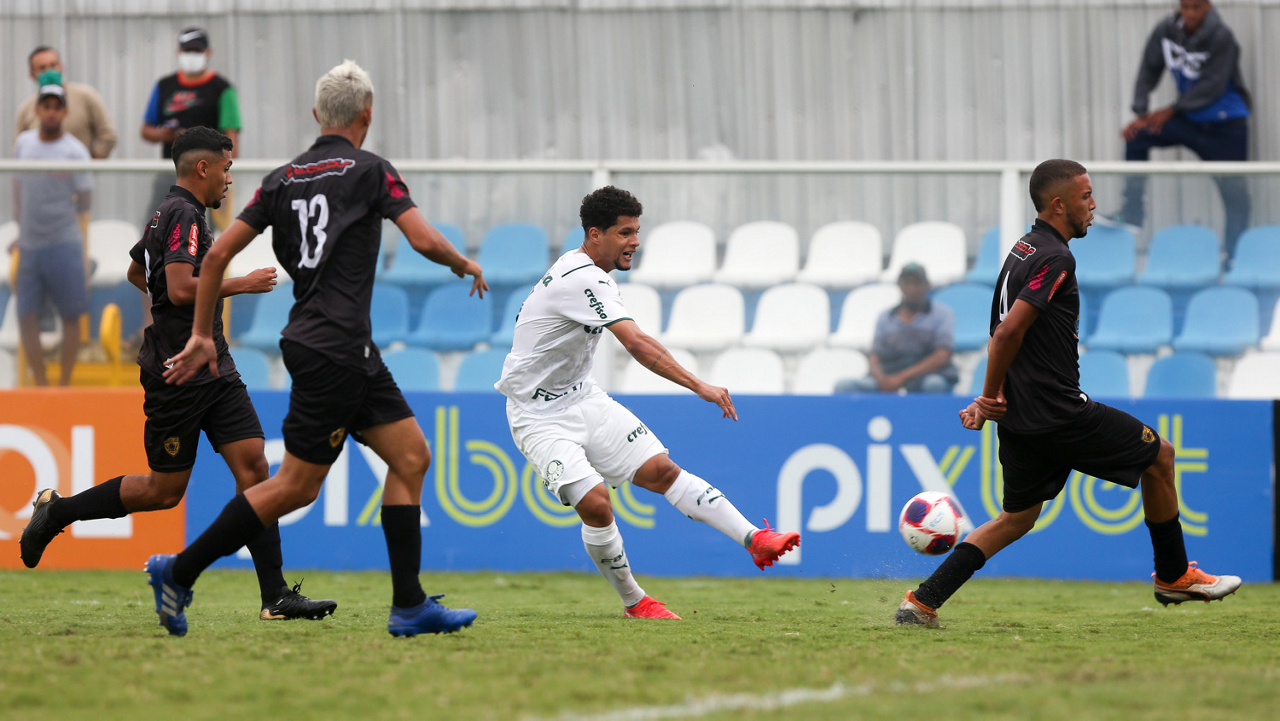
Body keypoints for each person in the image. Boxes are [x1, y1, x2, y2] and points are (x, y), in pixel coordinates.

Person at [158, 60, 487, 638]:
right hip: (335, 349)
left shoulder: (281, 179)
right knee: (295, 486)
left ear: (317, 114)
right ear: (367, 115)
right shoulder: (372, 170)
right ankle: (178, 571)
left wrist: (202, 335)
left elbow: (216, 257)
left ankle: (410, 605)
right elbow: (421, 238)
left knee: (411, 456)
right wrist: (462, 261)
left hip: (335, 345)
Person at [895, 159, 1241, 629]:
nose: (1093, 205)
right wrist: (988, 396)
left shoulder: (1022, 248)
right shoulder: (1056, 257)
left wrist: (991, 400)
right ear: (1059, 204)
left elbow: (1003, 330)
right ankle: (1174, 575)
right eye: (1086, 196)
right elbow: (1007, 333)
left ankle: (922, 602)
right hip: (1055, 409)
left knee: (1016, 519)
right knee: (1160, 455)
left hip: (1020, 414)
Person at [18, 127, 336, 624]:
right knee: (163, 492)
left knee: (254, 467)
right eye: (226, 168)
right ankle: (57, 511)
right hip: (178, 372)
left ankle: (275, 596)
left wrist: (172, 306)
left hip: (215, 366)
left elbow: (138, 273)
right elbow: (182, 287)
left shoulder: (165, 212)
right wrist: (242, 283)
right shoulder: (183, 214)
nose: (229, 179)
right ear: (203, 168)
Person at [495, 186, 801, 620]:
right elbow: (636, 344)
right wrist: (699, 385)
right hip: (537, 414)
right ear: (595, 234)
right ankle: (635, 602)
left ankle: (755, 539)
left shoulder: (588, 272)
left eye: (637, 231)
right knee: (596, 503)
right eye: (625, 233)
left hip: (583, 397)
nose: (635, 241)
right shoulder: (583, 278)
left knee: (662, 471)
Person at [1115, 0, 1251, 256]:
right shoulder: (1166, 30)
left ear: (1207, 6)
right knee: (1136, 136)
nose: (1189, 13)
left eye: (1196, 7)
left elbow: (1212, 85)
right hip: (1189, 120)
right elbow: (1148, 69)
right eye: (1185, 6)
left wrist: (1172, 109)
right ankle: (1132, 212)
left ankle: (1234, 258)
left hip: (1226, 126)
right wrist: (1141, 113)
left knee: (1235, 197)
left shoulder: (1221, 36)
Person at [12, 83, 91, 386]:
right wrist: (21, 229)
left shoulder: (75, 151)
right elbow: (17, 187)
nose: (51, 112)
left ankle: (64, 386)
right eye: (46, 106)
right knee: (26, 315)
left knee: (71, 316)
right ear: (37, 110)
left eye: (57, 107)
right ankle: (42, 385)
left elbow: (85, 199)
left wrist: (59, 218)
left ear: (64, 112)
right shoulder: (24, 144)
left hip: (64, 244)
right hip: (30, 246)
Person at [141, 28, 241, 231]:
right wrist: (165, 135)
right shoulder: (165, 86)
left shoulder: (222, 89)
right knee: (157, 230)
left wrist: (221, 172)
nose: (192, 55)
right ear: (179, 52)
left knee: (205, 234)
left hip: (207, 177)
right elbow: (146, 129)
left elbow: (232, 141)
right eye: (188, 50)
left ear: (208, 52)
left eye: (197, 50)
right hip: (170, 174)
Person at [838, 263, 957, 394]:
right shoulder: (885, 317)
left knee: (934, 385)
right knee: (844, 386)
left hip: (925, 375)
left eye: (917, 283)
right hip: (888, 375)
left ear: (927, 285)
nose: (912, 288)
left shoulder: (942, 314)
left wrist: (900, 378)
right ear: (899, 285)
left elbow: (941, 356)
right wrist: (882, 380)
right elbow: (874, 355)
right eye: (907, 283)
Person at [15, 46, 117, 159]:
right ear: (37, 110)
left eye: (53, 65)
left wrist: (88, 165)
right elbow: (19, 150)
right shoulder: (26, 109)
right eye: (42, 68)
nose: (49, 72)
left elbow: (108, 136)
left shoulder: (85, 96)